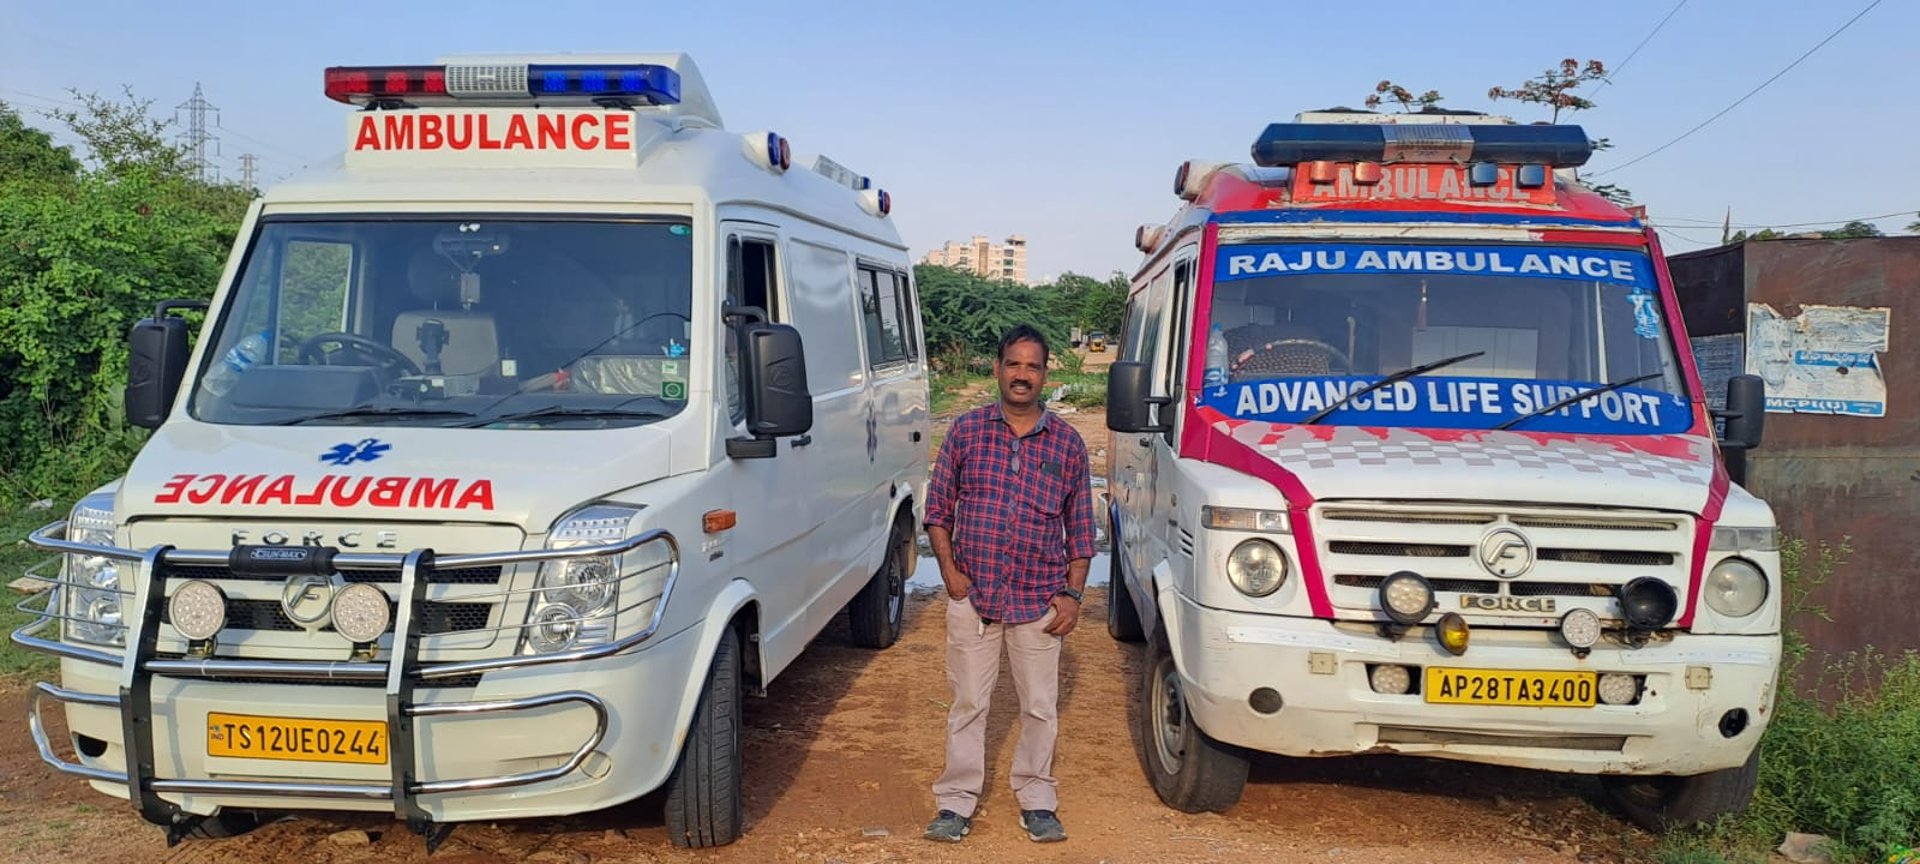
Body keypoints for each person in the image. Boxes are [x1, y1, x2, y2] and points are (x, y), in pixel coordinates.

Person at [921, 325, 1097, 845]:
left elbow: (1082, 526)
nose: (1023, 375)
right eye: (1014, 364)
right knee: (969, 704)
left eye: (1033, 366)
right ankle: (955, 803)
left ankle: (1037, 798)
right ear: (997, 369)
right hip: (973, 597)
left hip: (1039, 601)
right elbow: (938, 509)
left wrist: (1073, 595)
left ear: (1046, 374)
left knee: (1040, 706)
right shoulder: (966, 431)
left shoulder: (1067, 443)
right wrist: (950, 573)